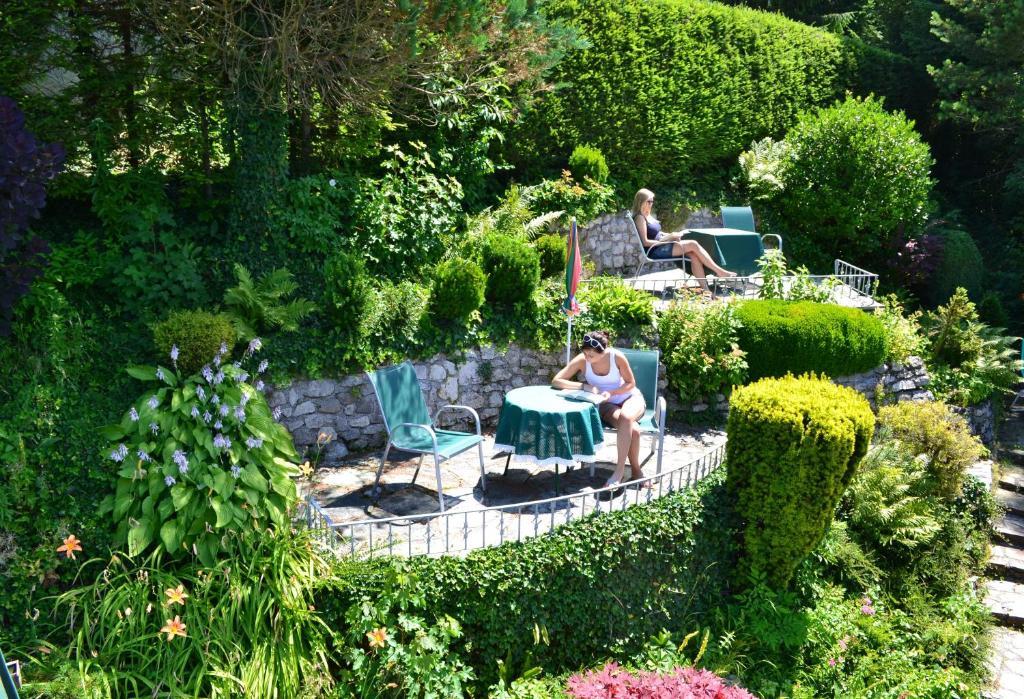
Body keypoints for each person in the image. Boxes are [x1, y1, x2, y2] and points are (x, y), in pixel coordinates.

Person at [551, 330, 650, 488]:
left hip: (630, 398)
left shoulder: (616, 357)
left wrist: (612, 392)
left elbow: (631, 383)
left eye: (592, 355)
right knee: (635, 430)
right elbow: (557, 381)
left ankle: (618, 473)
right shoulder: (583, 360)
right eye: (585, 353)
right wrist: (585, 386)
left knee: (626, 417)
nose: (588, 358)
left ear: (603, 352)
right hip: (606, 404)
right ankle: (637, 472)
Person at [632, 188, 734, 284]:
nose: (651, 204)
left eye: (652, 201)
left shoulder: (647, 215)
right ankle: (719, 271)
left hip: (662, 245)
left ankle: (706, 290)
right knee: (693, 244)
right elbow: (645, 242)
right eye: (648, 202)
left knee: (694, 255)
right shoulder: (640, 218)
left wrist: (671, 235)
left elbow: (657, 234)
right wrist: (668, 239)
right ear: (641, 202)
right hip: (655, 250)